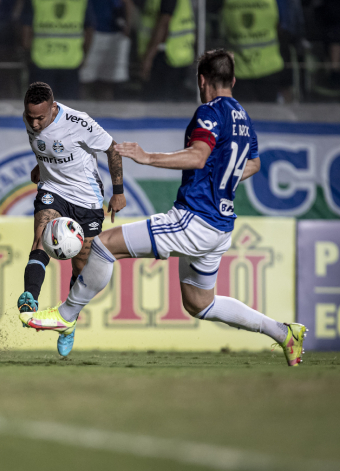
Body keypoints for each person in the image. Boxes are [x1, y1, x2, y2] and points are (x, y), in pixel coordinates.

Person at [19, 50, 307, 367]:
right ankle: (284, 333)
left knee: (103, 245)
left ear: (201, 80)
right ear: (233, 80)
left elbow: (197, 157)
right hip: (221, 225)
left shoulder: (209, 113)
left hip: (194, 219)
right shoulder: (241, 116)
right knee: (200, 303)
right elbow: (253, 163)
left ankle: (65, 315)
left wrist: (147, 157)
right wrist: (219, 179)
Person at [18, 81, 126, 356]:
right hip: (53, 190)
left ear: (54, 108)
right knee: (41, 237)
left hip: (87, 200)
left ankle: (69, 320)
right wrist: (40, 167)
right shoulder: (30, 118)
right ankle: (30, 298)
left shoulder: (80, 122)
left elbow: (112, 149)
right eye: (30, 117)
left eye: (41, 117)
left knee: (81, 268)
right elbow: (47, 146)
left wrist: (118, 193)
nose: (35, 123)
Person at [21, 0, 95, 100]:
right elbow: (89, 31)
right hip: (71, 61)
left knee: (40, 107)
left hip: (41, 60)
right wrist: (84, 55)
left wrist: (27, 53)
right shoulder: (80, 2)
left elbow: (26, 31)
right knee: (68, 108)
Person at [137, 0, 195, 101]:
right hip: (178, 54)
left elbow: (164, 23)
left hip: (166, 57)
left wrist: (148, 58)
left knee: (159, 103)